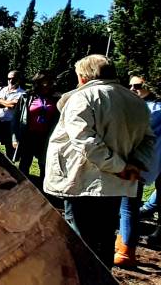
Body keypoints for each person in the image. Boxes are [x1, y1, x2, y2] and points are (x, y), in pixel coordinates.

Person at [43, 55, 155, 268]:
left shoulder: (83, 97)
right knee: (103, 241)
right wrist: (135, 164)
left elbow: (84, 140)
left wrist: (121, 167)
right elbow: (149, 139)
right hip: (114, 184)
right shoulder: (136, 101)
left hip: (84, 182)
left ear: (83, 77)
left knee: (79, 244)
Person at [116, 74, 161, 266]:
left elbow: (137, 133)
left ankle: (126, 250)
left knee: (128, 207)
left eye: (138, 85)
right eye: (130, 86)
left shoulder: (155, 109)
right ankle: (123, 242)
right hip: (139, 164)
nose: (133, 89)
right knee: (127, 206)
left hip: (139, 165)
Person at [11, 70, 60, 182]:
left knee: (44, 165)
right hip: (28, 136)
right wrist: (15, 138)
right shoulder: (26, 97)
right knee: (24, 164)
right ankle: (22, 187)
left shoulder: (56, 99)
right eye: (46, 81)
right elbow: (15, 119)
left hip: (46, 137)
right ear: (38, 82)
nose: (49, 84)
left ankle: (44, 192)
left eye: (51, 82)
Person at [0, 70, 25, 159]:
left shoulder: (22, 94)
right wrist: (6, 103)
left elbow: (12, 105)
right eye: (9, 79)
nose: (10, 81)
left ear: (19, 80)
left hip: (9, 126)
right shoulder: (0, 89)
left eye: (13, 79)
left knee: (10, 152)